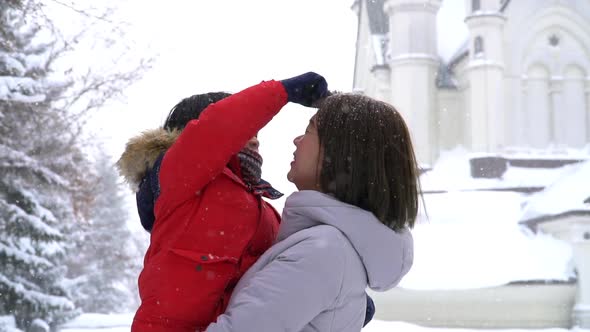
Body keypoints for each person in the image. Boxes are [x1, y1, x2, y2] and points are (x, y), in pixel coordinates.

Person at [116, 72, 331, 331]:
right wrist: (280, 92)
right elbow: (216, 129)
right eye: (247, 127)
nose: (256, 138)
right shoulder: (180, 176)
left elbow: (288, 269)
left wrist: (331, 295)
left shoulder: (266, 211)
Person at [207, 93, 419, 332]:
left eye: (309, 131)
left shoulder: (322, 253)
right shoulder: (327, 248)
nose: (297, 140)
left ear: (339, 154)